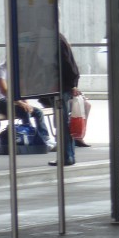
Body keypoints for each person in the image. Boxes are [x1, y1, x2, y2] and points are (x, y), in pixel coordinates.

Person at [0, 60, 56, 154]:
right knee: (24, 111)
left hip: (12, 101)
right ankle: (30, 137)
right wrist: (20, 103)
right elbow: (4, 91)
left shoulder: (15, 72)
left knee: (38, 112)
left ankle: (45, 139)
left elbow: (20, 92)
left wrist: (26, 103)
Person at [38, 33, 81, 167]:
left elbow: (65, 63)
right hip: (63, 85)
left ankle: (66, 156)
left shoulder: (53, 39)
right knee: (63, 122)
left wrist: (72, 83)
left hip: (60, 86)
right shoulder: (58, 38)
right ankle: (68, 155)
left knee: (62, 123)